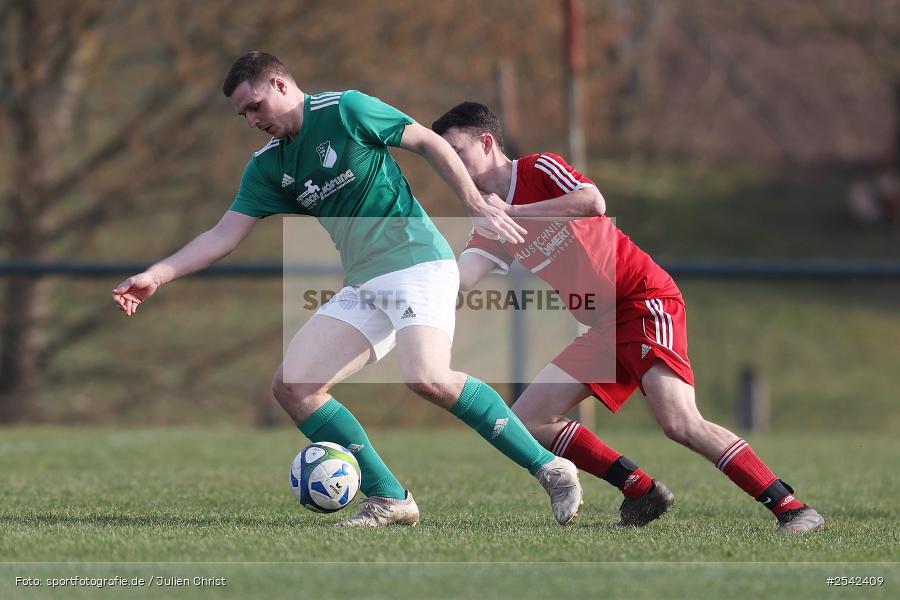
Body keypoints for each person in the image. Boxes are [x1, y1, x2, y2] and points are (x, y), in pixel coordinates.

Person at [112, 52, 583, 527]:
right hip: (366, 283)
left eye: (255, 106)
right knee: (295, 386)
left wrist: (473, 202)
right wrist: (158, 274)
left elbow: (426, 142)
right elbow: (222, 236)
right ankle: (391, 499)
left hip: (419, 260)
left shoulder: (346, 110)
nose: (252, 120)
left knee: (427, 375)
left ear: (279, 85)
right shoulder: (269, 166)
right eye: (243, 115)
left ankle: (550, 467)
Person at [433, 101, 826, 533]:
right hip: (604, 325)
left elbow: (593, 201)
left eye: (457, 151)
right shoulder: (489, 223)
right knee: (528, 419)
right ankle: (640, 490)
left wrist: (517, 213)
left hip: (643, 300)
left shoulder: (538, 169)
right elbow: (462, 277)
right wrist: (407, 289)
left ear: (487, 143)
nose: (451, 163)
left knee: (679, 422)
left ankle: (792, 508)